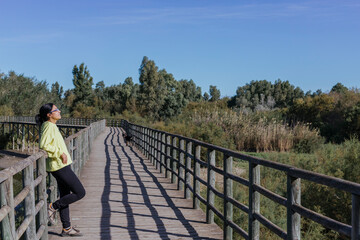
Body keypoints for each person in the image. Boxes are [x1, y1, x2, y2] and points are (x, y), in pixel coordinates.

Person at [35, 103, 85, 237]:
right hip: (59, 166)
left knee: (65, 195)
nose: (59, 111)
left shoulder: (52, 126)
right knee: (80, 192)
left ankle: (66, 228)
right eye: (56, 110)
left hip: (60, 165)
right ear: (49, 115)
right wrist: (59, 153)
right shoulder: (48, 126)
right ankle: (52, 207)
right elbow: (43, 145)